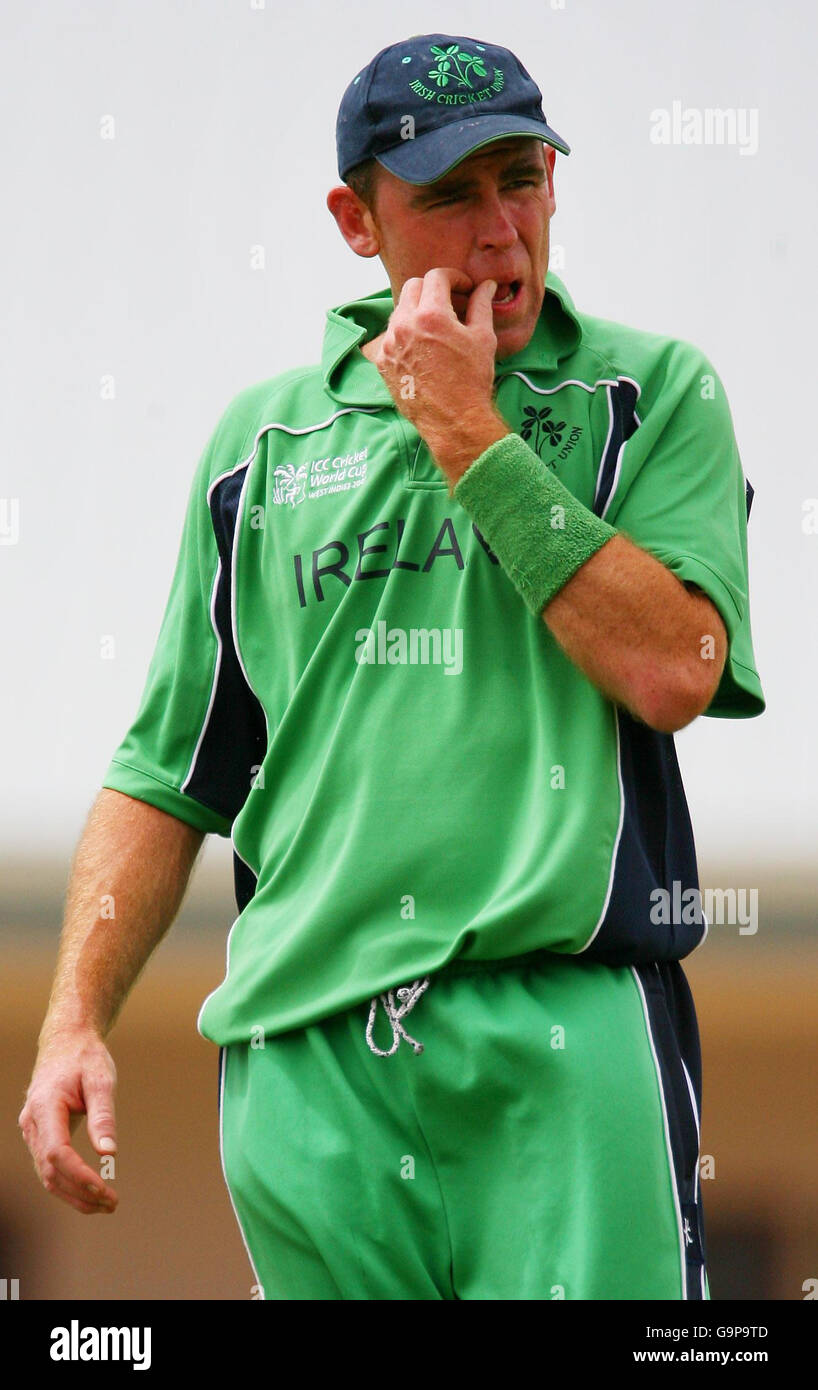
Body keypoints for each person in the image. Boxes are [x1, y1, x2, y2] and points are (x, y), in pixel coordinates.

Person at [19, 32, 764, 1300]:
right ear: (355, 221)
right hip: (304, 1070)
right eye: (446, 196)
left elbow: (673, 667)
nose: (497, 231)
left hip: (560, 1038)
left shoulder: (651, 393)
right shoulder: (259, 445)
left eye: (519, 179)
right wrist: (71, 1016)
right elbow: (168, 772)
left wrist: (470, 434)